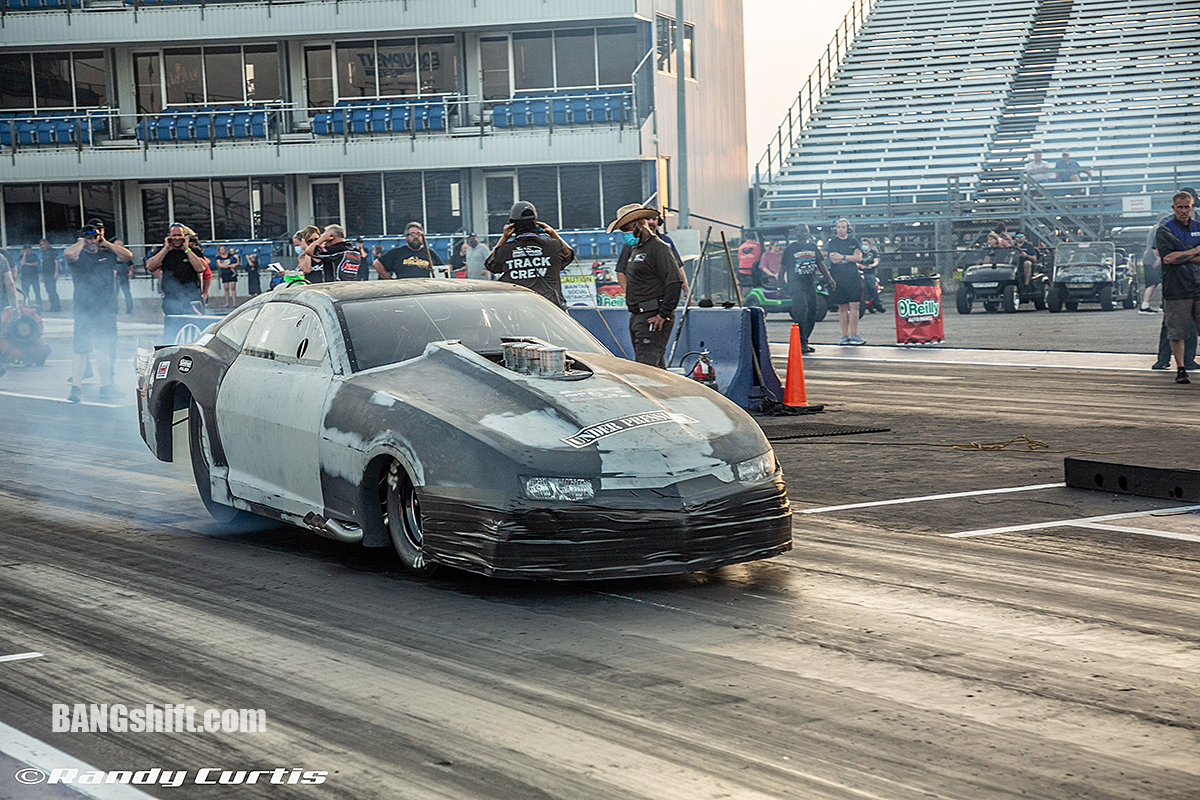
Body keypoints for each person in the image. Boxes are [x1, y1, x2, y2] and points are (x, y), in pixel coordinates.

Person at [607, 203, 681, 368]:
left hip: (653, 315)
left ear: (639, 224)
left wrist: (663, 314)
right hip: (637, 315)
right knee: (655, 367)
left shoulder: (658, 248)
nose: (625, 233)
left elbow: (674, 281)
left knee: (645, 368)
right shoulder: (635, 249)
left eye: (626, 228)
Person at [62, 224, 131, 403]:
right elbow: (68, 254)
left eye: (95, 237)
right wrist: (82, 242)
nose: (93, 241)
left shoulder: (107, 254)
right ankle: (75, 387)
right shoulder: (78, 255)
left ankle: (106, 386)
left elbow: (127, 256)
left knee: (103, 348)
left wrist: (105, 243)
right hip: (84, 309)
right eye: (89, 237)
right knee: (81, 349)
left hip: (105, 309)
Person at [484, 201, 575, 308]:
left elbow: (490, 264)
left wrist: (504, 238)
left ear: (513, 225)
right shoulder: (554, 246)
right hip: (550, 310)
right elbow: (570, 255)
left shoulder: (505, 250)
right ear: (535, 222)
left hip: (518, 310)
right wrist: (553, 234)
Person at [1155, 190, 1200, 384]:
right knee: (1176, 332)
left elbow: (1175, 257)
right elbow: (1167, 258)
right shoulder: (1164, 230)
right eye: (1179, 207)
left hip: (1198, 286)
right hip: (1176, 289)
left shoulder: (1199, 226)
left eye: (1186, 207)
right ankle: (1180, 369)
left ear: (1192, 207)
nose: (1183, 210)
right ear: (1173, 208)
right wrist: (1196, 250)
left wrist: (1180, 254)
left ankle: (1187, 361)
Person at [781, 223, 835, 354]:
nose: (804, 233)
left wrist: (829, 278)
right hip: (796, 285)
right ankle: (798, 341)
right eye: (801, 231)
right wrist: (779, 287)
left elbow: (820, 264)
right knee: (801, 312)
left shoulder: (812, 247)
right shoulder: (790, 249)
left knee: (812, 312)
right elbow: (782, 268)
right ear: (796, 232)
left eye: (806, 231)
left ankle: (804, 341)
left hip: (809, 284)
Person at [145, 223, 208, 315]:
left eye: (179, 235)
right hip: (171, 299)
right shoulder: (163, 252)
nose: (177, 238)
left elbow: (200, 268)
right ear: (169, 236)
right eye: (174, 235)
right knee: (172, 323)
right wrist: (166, 248)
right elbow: (150, 267)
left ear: (185, 236)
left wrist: (187, 249)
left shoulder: (194, 251)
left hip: (192, 298)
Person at [825, 218, 865, 345]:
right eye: (838, 227)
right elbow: (834, 260)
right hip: (838, 278)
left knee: (854, 306)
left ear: (848, 229)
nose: (840, 229)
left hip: (852, 277)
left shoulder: (853, 242)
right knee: (842, 307)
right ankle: (844, 335)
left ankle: (855, 334)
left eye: (843, 227)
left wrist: (843, 257)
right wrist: (850, 258)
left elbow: (858, 258)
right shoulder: (833, 242)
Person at [376, 221, 443, 279]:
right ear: (406, 237)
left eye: (419, 234)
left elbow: (442, 270)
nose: (416, 236)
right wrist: (389, 280)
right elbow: (377, 264)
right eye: (412, 234)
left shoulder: (430, 253)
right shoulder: (397, 253)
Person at [859, 236, 885, 312]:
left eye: (866, 244)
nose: (864, 246)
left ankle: (877, 304)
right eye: (863, 244)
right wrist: (860, 266)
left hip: (870, 273)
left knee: (873, 288)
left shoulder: (873, 252)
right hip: (860, 273)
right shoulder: (859, 253)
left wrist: (872, 265)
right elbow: (855, 261)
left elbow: (876, 261)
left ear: (869, 245)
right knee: (863, 289)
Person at [112, 239, 135, 314]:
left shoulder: (125, 255)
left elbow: (130, 263)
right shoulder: (112, 254)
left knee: (126, 291)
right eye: (120, 246)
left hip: (124, 274)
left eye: (122, 246)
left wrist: (131, 271)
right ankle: (115, 309)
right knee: (115, 292)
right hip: (115, 275)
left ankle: (129, 308)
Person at [39, 239, 61, 312]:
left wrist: (56, 272)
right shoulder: (44, 252)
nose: (42, 246)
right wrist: (42, 275)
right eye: (41, 245)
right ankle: (53, 306)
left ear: (46, 244)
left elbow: (56, 262)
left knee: (52, 290)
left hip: (52, 273)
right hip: (46, 273)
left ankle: (57, 306)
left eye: (43, 244)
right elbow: (44, 264)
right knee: (48, 290)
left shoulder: (53, 251)